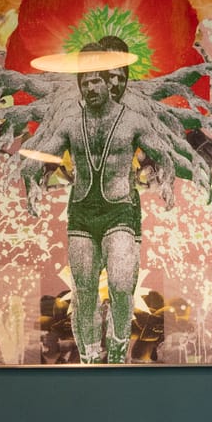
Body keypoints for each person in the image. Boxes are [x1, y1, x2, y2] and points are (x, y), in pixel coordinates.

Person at [18, 41, 184, 363]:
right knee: (84, 290)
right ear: (79, 84)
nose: (92, 86)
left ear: (110, 82)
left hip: (119, 210)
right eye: (85, 81)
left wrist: (166, 181)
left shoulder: (132, 120)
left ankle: (120, 340)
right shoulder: (69, 120)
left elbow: (163, 153)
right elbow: (38, 154)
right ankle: (91, 354)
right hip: (82, 212)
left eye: (97, 79)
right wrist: (32, 180)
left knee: (122, 285)